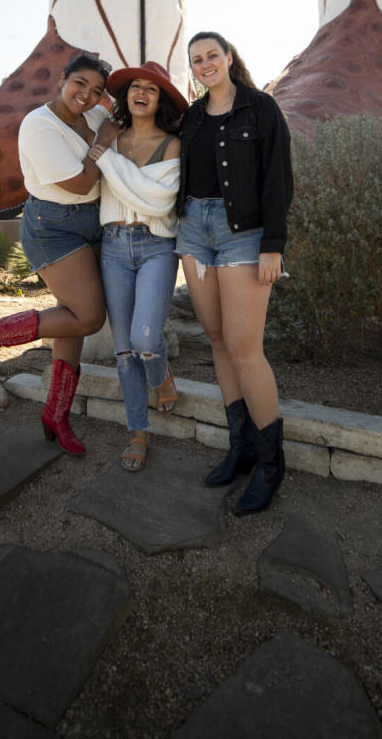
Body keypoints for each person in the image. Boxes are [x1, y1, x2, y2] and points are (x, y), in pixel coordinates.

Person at [0, 51, 116, 455]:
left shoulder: (98, 116)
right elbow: (82, 183)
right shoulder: (39, 125)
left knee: (71, 322)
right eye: (79, 83)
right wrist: (104, 142)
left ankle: (57, 413)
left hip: (94, 222)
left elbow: (119, 115)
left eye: (96, 90)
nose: (86, 96)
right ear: (62, 79)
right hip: (54, 225)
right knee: (87, 316)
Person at [175, 31, 293, 514]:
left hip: (243, 233)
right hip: (193, 233)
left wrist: (273, 247)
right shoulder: (191, 117)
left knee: (246, 349)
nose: (205, 64)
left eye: (211, 56)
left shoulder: (260, 108)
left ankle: (270, 465)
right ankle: (240, 448)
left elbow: (279, 179)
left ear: (228, 58)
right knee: (219, 341)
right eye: (196, 59)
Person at [93, 61, 187, 471]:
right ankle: (138, 431)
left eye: (152, 88)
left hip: (156, 247)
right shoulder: (112, 139)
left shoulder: (171, 144)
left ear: (160, 99)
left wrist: (102, 157)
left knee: (146, 341)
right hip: (113, 246)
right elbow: (137, 188)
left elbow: (158, 200)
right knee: (124, 351)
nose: (141, 93)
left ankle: (161, 374)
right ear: (126, 96)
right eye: (135, 87)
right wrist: (104, 148)